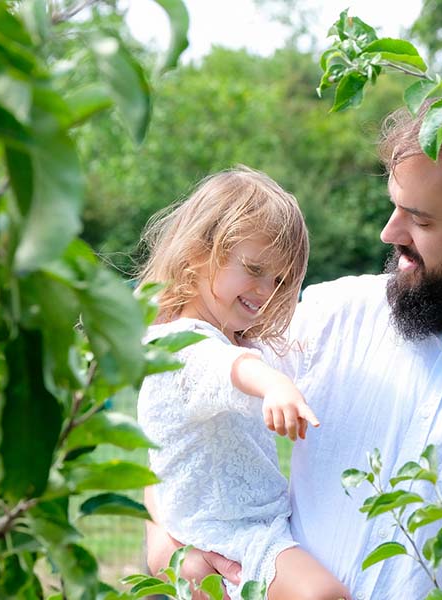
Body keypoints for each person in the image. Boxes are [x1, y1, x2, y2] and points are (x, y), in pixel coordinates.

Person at [145, 107, 442, 599]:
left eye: (419, 219)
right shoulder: (333, 317)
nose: (389, 232)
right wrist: (169, 548)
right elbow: (181, 411)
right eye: (395, 206)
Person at [136, 166, 350, 600]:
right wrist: (274, 386)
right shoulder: (181, 343)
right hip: (230, 536)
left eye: (281, 281)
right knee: (323, 596)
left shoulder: (227, 334)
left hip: (237, 529)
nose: (267, 292)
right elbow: (225, 366)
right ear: (199, 252)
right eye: (254, 269)